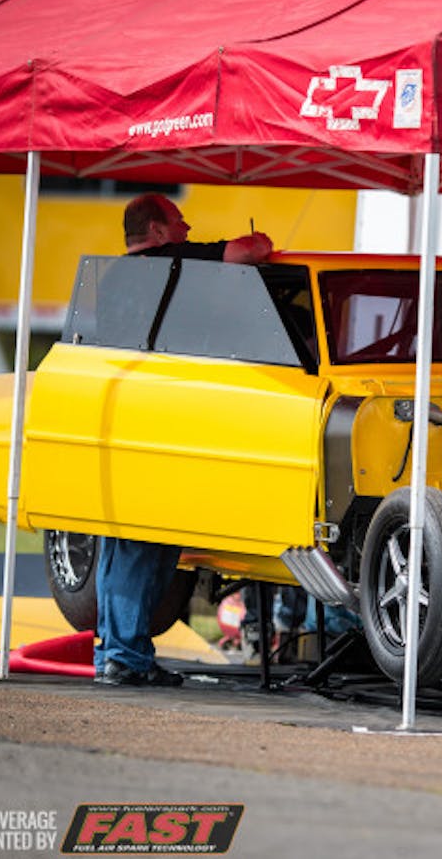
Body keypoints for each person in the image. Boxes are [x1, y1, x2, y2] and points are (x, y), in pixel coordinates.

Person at [94, 193, 273, 686]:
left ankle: (116, 652)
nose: (188, 225)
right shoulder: (167, 263)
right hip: (155, 418)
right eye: (178, 220)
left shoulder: (111, 278)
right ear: (155, 231)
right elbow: (246, 252)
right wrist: (262, 240)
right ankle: (124, 659)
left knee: (130, 542)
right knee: (141, 543)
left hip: (124, 415)